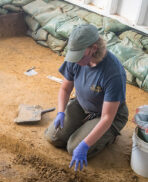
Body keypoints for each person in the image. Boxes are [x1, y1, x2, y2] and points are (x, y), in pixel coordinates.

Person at [45, 24, 128, 171]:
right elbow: (65, 88)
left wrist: (85, 145)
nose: (76, 61)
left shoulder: (113, 72)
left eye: (80, 56)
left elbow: (107, 117)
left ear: (94, 48)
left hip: (107, 115)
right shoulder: (75, 60)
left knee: (73, 147)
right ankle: (85, 126)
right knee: (54, 137)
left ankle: (109, 135)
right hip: (83, 103)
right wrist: (60, 112)